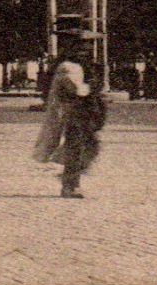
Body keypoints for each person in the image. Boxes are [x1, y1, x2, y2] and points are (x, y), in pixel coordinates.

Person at [33, 40, 107, 198]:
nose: (85, 54)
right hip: (73, 114)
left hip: (84, 114)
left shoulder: (82, 67)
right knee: (77, 148)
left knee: (90, 146)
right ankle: (70, 185)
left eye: (87, 51)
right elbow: (77, 90)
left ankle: (67, 176)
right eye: (81, 51)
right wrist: (92, 86)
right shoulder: (67, 67)